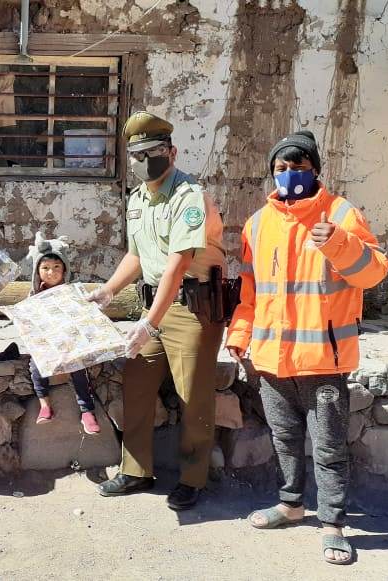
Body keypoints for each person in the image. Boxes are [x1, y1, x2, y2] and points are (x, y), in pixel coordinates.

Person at [226, 131, 388, 565]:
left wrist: (337, 242)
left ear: (315, 169)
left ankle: (334, 524)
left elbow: (374, 274)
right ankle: (291, 504)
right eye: (281, 168)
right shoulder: (257, 224)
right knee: (284, 438)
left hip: (323, 360)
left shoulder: (341, 214)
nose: (289, 174)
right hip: (272, 359)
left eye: (298, 166)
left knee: (329, 445)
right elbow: (250, 292)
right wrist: (240, 335)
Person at [88, 111, 226, 511]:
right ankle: (136, 470)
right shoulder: (137, 199)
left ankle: (192, 477)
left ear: (172, 152)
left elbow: (178, 264)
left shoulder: (189, 198)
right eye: (137, 155)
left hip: (192, 309)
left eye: (153, 152)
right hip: (154, 305)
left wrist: (148, 322)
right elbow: (137, 255)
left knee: (192, 397)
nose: (145, 161)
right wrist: (108, 291)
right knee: (138, 383)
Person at [25, 234, 101, 434]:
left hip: (70, 342)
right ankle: (44, 405)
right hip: (45, 344)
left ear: (65, 269)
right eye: (45, 268)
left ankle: (87, 410)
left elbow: (83, 318)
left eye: (57, 267)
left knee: (78, 366)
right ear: (37, 271)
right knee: (36, 365)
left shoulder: (73, 292)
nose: (51, 273)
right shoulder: (34, 296)